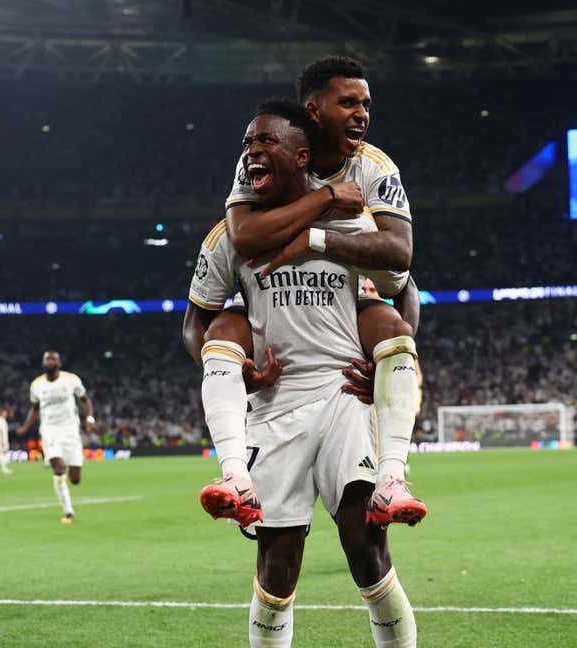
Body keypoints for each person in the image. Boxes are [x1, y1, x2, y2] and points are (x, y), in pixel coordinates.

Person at [183, 99, 417, 648]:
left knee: (367, 547)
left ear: (301, 155)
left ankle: (394, 476)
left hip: (342, 398)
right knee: (278, 561)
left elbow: (403, 287)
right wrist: (234, 369)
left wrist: (390, 364)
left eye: (265, 142)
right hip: (274, 404)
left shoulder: (350, 223)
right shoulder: (229, 237)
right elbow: (195, 324)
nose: (251, 152)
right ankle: (233, 473)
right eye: (247, 143)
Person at [199, 55, 426, 529]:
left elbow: (401, 260)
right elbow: (243, 237)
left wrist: (315, 239)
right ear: (314, 110)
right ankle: (235, 475)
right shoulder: (262, 158)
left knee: (389, 323)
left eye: (366, 103)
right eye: (347, 103)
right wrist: (322, 200)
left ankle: (394, 479)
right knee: (224, 326)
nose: (362, 113)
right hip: (272, 316)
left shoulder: (374, 168)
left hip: (347, 306)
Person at [19, 350, 95, 525]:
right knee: (58, 467)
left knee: (75, 479)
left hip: (70, 430)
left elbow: (84, 399)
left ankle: (66, 475)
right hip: (49, 430)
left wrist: (89, 418)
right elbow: (35, 407)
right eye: (47, 359)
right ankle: (68, 511)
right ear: (43, 363)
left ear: (59, 363)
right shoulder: (36, 385)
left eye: (53, 359)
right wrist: (26, 426)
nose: (50, 361)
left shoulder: (71, 380)